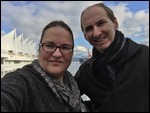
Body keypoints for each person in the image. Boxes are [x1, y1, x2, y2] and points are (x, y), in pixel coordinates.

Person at [74, 3, 149, 112]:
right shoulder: (86, 71)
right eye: (89, 28)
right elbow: (67, 96)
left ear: (115, 23)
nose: (96, 33)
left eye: (101, 23)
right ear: (85, 35)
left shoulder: (145, 56)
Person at [1, 20, 87, 112]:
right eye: (49, 46)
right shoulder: (24, 81)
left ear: (72, 52)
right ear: (39, 49)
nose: (57, 54)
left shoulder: (71, 82)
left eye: (65, 47)